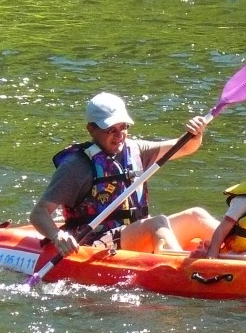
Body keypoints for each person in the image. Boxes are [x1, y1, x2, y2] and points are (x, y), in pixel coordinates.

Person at [30, 91, 219, 256]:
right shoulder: (76, 166)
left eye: (123, 127)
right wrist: (58, 236)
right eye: (111, 129)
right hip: (94, 241)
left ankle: (243, 249)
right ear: (91, 129)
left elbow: (185, 148)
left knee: (196, 215)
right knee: (157, 223)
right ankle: (183, 272)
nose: (119, 135)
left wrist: (196, 134)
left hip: (133, 233)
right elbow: (39, 213)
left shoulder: (136, 149)